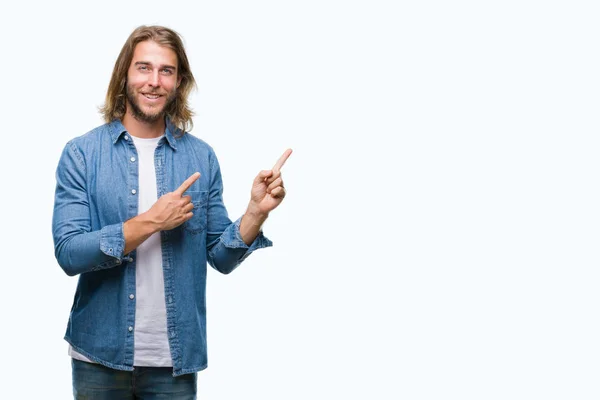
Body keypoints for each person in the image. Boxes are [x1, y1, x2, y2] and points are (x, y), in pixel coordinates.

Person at [52, 25, 291, 399]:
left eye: (166, 71)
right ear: (125, 75)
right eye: (144, 68)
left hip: (173, 363)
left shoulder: (201, 157)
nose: (154, 81)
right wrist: (151, 221)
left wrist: (255, 214)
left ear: (179, 82)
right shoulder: (83, 154)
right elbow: (69, 253)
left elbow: (221, 257)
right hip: (98, 355)